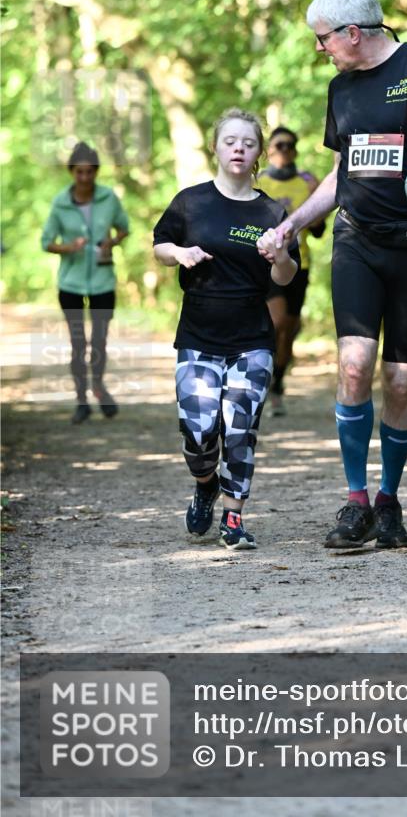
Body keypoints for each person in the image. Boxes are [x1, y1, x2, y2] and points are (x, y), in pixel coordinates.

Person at [265, 0, 407, 551]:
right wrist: (292, 223)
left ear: (352, 33)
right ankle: (356, 501)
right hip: (356, 242)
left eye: (323, 39)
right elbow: (341, 174)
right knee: (355, 366)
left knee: (401, 379)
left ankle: (389, 499)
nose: (320, 48)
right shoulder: (340, 90)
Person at [153, 108, 299, 550]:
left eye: (248, 143)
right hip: (198, 336)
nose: (239, 149)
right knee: (198, 435)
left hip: (252, 339)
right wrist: (179, 254)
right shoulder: (190, 202)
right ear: (215, 148)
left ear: (258, 154)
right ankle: (205, 484)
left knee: (241, 428)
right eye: (230, 141)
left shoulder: (272, 210)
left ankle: (233, 519)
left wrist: (280, 256)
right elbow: (160, 246)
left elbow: (286, 276)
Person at [41, 141, 129, 424]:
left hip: (103, 280)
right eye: (79, 172)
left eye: (90, 172)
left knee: (100, 342)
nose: (84, 177)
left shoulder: (108, 198)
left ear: (96, 172)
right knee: (78, 343)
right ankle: (82, 401)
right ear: (72, 172)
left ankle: (99, 389)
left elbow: (124, 228)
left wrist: (112, 241)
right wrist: (69, 247)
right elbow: (46, 242)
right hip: (71, 284)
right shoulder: (60, 202)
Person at [255, 126, 325, 415]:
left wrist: (316, 197)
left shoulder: (307, 182)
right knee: (278, 321)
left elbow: (319, 231)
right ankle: (262, 376)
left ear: (295, 150)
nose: (284, 150)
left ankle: (278, 382)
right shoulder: (258, 181)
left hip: (300, 264)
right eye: (278, 145)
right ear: (269, 150)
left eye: (289, 145)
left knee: (289, 330)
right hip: (266, 263)